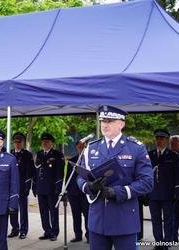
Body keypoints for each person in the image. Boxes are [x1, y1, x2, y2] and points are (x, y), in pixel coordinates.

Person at [76, 105, 153, 250]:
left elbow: (147, 182)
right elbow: (80, 177)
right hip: (98, 220)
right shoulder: (91, 148)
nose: (105, 124)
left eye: (110, 121)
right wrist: (89, 187)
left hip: (124, 220)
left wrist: (119, 192)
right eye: (102, 121)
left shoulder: (136, 148)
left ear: (121, 124)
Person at [148, 129, 179, 250]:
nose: (159, 141)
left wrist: (177, 192)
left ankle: (166, 243)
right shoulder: (150, 155)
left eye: (162, 139)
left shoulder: (173, 156)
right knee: (155, 220)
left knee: (168, 221)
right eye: (157, 138)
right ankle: (158, 242)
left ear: (167, 141)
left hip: (168, 194)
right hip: (153, 194)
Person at [33, 132, 64, 241]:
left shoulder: (57, 155)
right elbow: (36, 172)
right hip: (41, 188)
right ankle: (47, 230)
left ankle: (54, 232)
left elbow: (59, 173)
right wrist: (34, 186)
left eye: (47, 141)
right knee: (43, 211)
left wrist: (58, 187)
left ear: (51, 143)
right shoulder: (39, 154)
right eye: (43, 141)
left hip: (52, 188)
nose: (45, 143)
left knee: (53, 211)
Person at [8, 132, 34, 239]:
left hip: (22, 186)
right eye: (15, 142)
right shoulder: (10, 154)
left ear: (22, 142)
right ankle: (15, 229)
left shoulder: (27, 155)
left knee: (23, 210)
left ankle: (23, 230)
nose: (17, 144)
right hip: (12, 187)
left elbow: (30, 171)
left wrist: (27, 186)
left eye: (19, 142)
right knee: (12, 209)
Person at [66, 141, 89, 243]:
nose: (81, 149)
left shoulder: (89, 160)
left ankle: (89, 235)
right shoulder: (72, 160)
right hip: (73, 193)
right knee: (76, 215)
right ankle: (77, 235)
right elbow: (67, 177)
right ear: (76, 148)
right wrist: (67, 191)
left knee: (87, 215)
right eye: (79, 147)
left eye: (82, 147)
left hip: (85, 193)